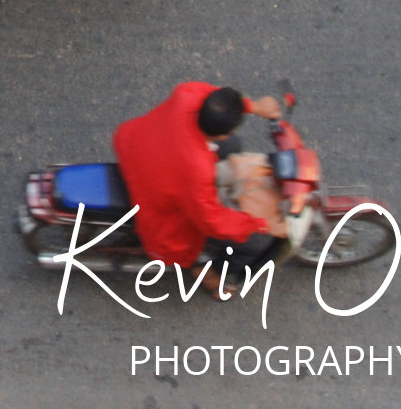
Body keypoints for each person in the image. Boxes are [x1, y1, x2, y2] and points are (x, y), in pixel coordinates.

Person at [114, 83, 289, 292]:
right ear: (222, 134)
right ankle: (211, 275)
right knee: (254, 244)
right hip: (159, 198)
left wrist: (254, 106)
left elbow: (210, 96)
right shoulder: (197, 170)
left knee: (232, 147)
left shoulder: (185, 95)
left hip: (133, 143)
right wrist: (263, 225)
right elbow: (212, 221)